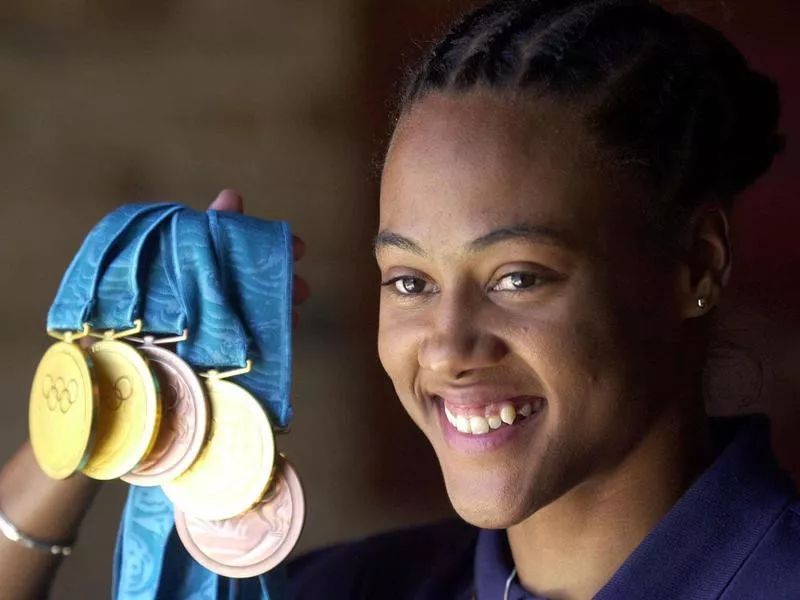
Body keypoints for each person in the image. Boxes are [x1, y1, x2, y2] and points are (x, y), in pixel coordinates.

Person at [0, 0, 797, 598]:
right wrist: (113, 398)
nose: (447, 347)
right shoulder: (356, 589)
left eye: (518, 277)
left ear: (697, 265)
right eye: (410, 282)